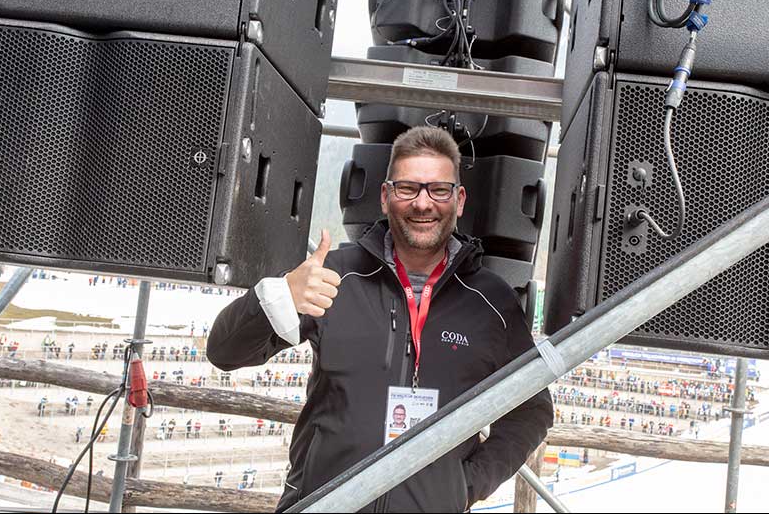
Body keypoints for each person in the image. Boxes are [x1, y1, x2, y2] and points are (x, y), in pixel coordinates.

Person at [208, 126, 553, 512]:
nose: (423, 203)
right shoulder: (335, 275)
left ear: (459, 201)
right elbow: (224, 351)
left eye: (438, 190)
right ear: (386, 197)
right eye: (408, 188)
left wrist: (465, 484)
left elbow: (532, 408)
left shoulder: (492, 301)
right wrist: (280, 296)